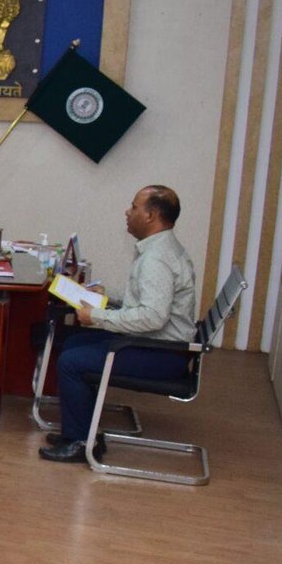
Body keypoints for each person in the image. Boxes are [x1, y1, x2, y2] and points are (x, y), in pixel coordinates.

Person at [39, 185, 197, 464]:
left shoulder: (157, 259)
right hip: (162, 345)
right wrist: (107, 299)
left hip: (161, 353)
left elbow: (152, 317)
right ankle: (81, 430)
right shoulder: (161, 247)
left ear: (150, 215)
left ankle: (81, 443)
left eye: (134, 207)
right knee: (73, 343)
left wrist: (97, 316)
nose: (127, 212)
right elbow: (147, 302)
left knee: (72, 362)